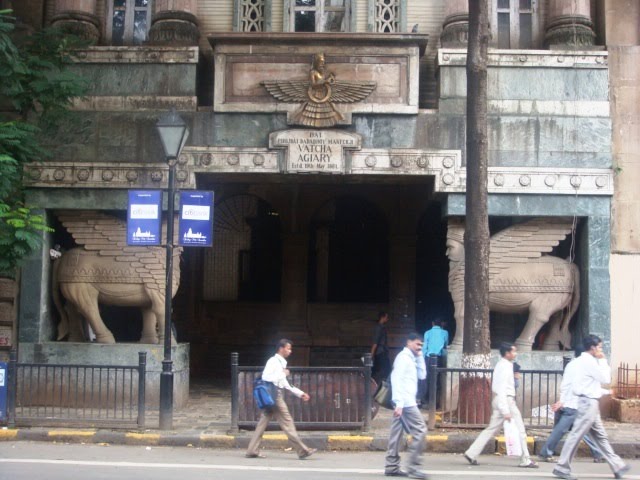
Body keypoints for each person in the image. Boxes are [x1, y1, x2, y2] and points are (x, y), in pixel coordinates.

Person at [552, 335, 631, 480]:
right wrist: (603, 360)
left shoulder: (579, 362)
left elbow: (587, 385)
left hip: (588, 402)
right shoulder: (589, 362)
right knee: (576, 435)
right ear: (593, 347)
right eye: (599, 347)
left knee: (600, 436)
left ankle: (617, 466)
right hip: (588, 403)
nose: (601, 350)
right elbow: (605, 378)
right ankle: (562, 467)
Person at [463, 342, 538, 469]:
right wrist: (505, 410)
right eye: (513, 351)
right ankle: (525, 459)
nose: (515, 354)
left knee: (490, 429)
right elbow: (502, 388)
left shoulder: (502, 365)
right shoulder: (506, 366)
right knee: (520, 430)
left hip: (500, 400)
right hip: (506, 401)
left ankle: (471, 453)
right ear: (507, 353)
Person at [246, 338, 317, 460]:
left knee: (262, 423)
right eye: (288, 348)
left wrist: (300, 393)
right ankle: (302, 450)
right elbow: (266, 377)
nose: (290, 351)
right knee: (287, 422)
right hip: (274, 396)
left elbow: (285, 383)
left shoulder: (280, 363)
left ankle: (252, 450)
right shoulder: (273, 361)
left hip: (272, 396)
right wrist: (283, 374)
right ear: (281, 348)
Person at [538, 347, 604, 464]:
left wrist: (562, 400)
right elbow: (599, 381)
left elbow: (565, 384)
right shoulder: (587, 366)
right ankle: (546, 452)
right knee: (574, 431)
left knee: (573, 430)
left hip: (570, 403)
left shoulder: (571, 365)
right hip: (576, 404)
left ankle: (598, 453)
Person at [384, 332, 429, 479]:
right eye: (417, 344)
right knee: (420, 430)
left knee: (396, 434)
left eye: (421, 345)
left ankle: (391, 466)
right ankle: (413, 467)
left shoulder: (412, 358)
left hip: (404, 402)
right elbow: (396, 380)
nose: (419, 347)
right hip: (405, 403)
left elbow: (422, 375)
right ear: (409, 342)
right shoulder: (403, 358)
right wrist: (399, 403)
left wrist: (420, 356)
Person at [422, 319, 449, 406]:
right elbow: (446, 345)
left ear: (432, 323)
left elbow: (424, 347)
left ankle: (427, 400)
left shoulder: (427, 333)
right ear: (441, 324)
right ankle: (435, 402)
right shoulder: (445, 333)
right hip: (438, 358)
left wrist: (422, 359)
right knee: (437, 380)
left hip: (428, 358)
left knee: (428, 378)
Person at [371, 311, 391, 384]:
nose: (387, 319)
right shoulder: (379, 328)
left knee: (379, 370)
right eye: (386, 317)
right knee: (385, 370)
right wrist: (371, 355)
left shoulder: (382, 327)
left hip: (382, 352)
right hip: (380, 352)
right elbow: (375, 342)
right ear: (382, 317)